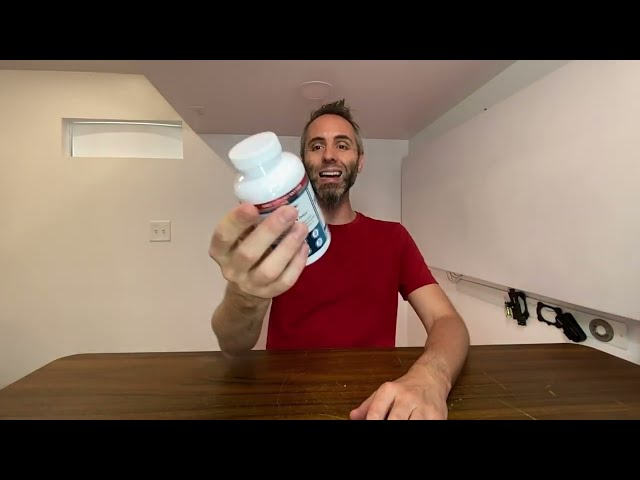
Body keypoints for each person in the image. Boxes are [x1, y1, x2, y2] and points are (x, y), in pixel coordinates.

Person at [209, 99, 470, 420]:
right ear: (302, 163)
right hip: (285, 402)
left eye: (342, 145)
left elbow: (446, 321)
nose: (329, 155)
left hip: (375, 403)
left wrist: (431, 376)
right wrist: (244, 295)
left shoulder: (393, 237)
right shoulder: (274, 239)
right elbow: (232, 344)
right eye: (316, 146)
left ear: (359, 162)